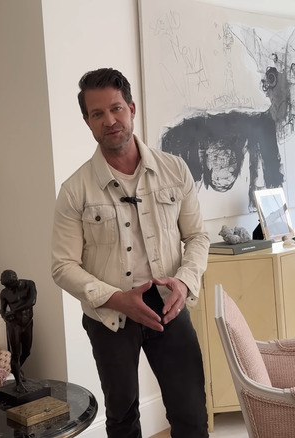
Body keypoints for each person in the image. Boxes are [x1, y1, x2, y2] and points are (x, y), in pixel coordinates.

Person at [51, 68, 210, 438]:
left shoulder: (175, 170)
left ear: (132, 109)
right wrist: (118, 299)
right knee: (122, 418)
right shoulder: (75, 190)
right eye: (97, 114)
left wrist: (185, 284)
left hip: (169, 301)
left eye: (116, 108)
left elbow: (199, 236)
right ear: (87, 121)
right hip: (110, 312)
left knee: (190, 413)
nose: (110, 120)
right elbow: (62, 265)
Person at [0, 269, 36, 392]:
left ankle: (16, 369)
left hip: (27, 323)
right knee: (15, 354)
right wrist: (5, 317)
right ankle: (18, 383)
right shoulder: (4, 293)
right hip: (14, 325)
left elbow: (32, 301)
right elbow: (3, 311)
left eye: (10, 285)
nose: (9, 288)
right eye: (6, 286)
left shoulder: (29, 285)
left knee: (26, 352)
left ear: (15, 280)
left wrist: (14, 311)